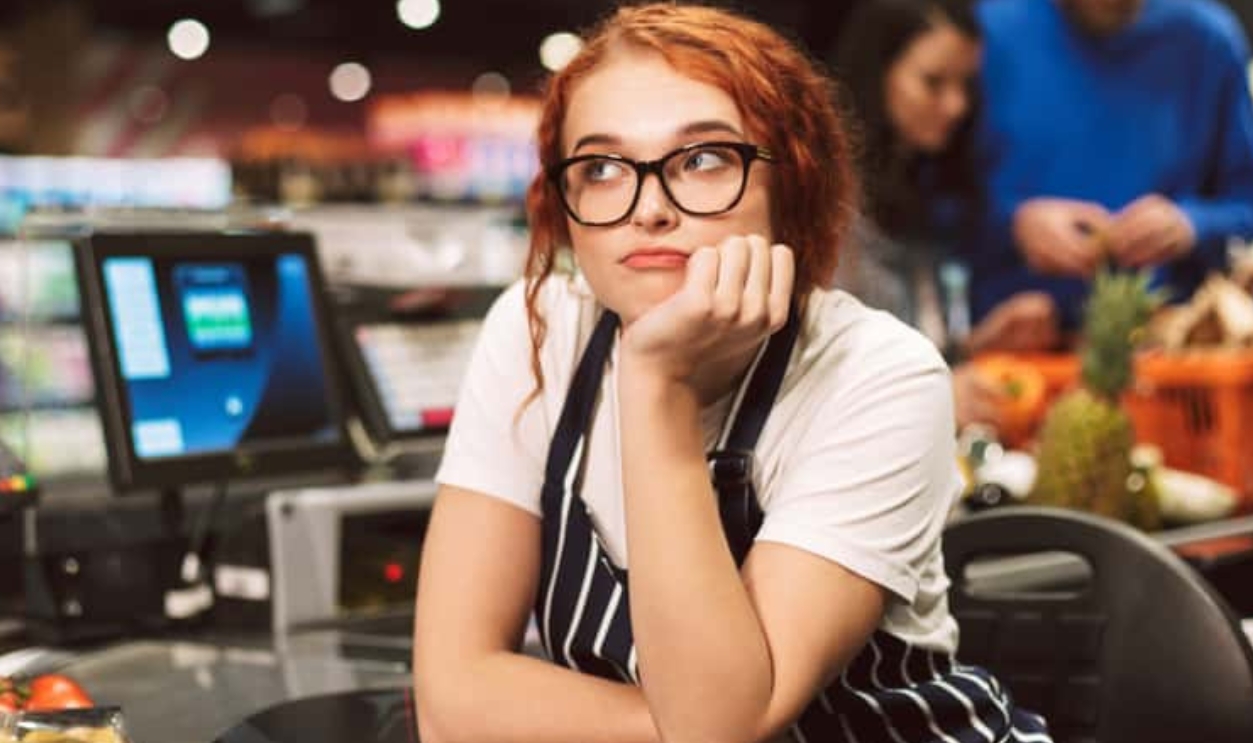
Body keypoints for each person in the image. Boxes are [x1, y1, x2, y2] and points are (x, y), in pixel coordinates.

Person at [413, 4, 1050, 743]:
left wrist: (656, 383)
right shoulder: (536, 331)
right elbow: (448, 702)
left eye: (703, 159)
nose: (648, 207)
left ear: (792, 184)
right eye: (601, 168)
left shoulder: (878, 373)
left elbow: (718, 727)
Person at [830, 0, 1059, 431]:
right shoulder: (829, 200)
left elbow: (910, 342)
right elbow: (824, 374)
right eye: (933, 83)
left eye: (966, 85)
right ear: (878, 72)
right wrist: (933, 395)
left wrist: (982, 342)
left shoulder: (926, 186)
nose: (956, 105)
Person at [968, 0, 1253, 330]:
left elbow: (1245, 203)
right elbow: (924, 207)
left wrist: (1192, 224)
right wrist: (1013, 224)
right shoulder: (990, 34)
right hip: (1009, 345)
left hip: (1169, 345)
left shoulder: (1207, 40)